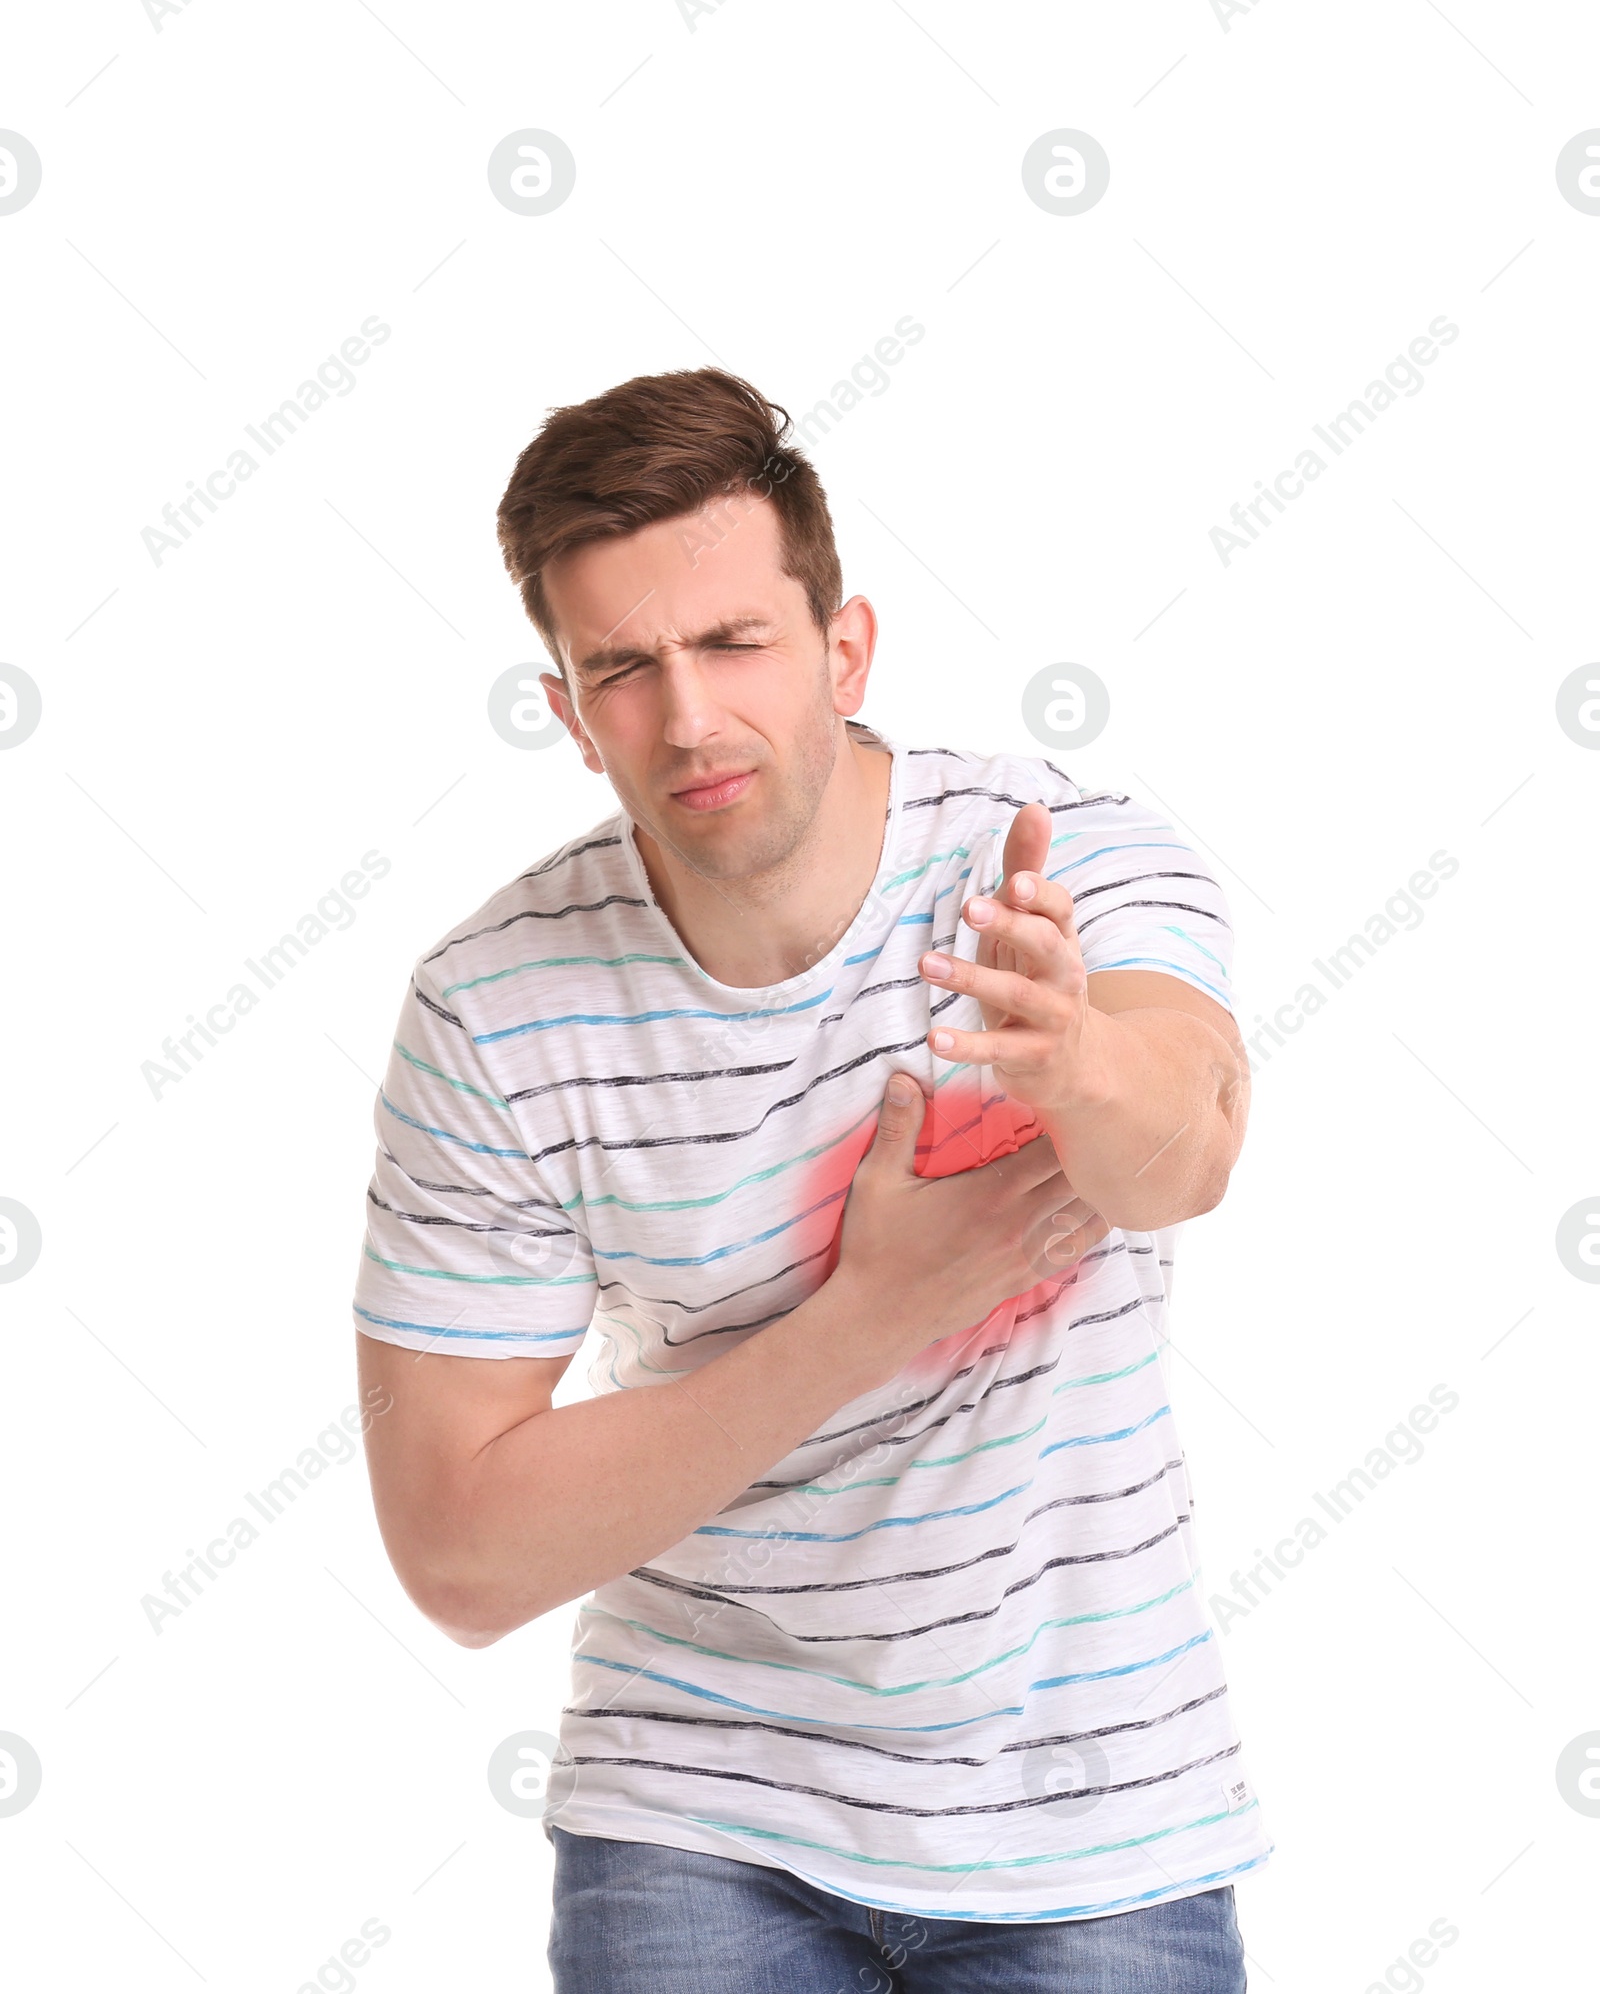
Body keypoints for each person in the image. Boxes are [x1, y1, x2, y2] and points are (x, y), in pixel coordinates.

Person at [351, 367, 1270, 1992]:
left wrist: (1075, 1058)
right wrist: (876, 1313)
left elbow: (1186, 1151)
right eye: (623, 669)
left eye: (733, 644)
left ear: (844, 648)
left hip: (1092, 1804)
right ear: (567, 714)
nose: (689, 717)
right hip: (695, 1807)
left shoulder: (1064, 859)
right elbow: (461, 1555)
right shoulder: (490, 1010)